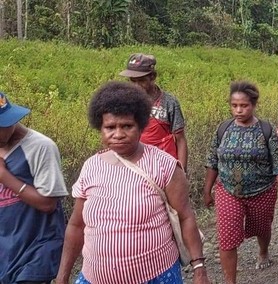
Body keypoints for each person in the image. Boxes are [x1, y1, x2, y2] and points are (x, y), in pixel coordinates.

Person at [56, 82, 210, 284]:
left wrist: (199, 269)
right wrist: (62, 277)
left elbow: (186, 217)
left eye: (127, 126)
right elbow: (76, 225)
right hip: (95, 277)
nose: (118, 134)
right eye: (110, 127)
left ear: (141, 126)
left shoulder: (164, 166)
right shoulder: (91, 167)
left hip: (155, 275)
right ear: (100, 128)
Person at [203, 81, 278, 283]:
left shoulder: (265, 130)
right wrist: (207, 190)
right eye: (234, 105)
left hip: (262, 191)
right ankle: (230, 280)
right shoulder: (223, 129)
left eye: (244, 106)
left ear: (254, 105)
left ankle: (263, 251)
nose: (238, 110)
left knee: (262, 227)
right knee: (227, 238)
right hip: (228, 191)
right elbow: (212, 161)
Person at [0, 93, 68, 283]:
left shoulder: (40, 147)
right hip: (7, 249)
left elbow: (48, 204)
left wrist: (5, 177)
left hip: (37, 251)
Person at [119, 53, 189, 172]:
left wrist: (182, 172)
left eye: (141, 80)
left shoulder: (169, 102)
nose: (136, 86)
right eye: (132, 81)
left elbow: (180, 139)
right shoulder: (124, 103)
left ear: (153, 77)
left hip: (164, 168)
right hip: (134, 168)